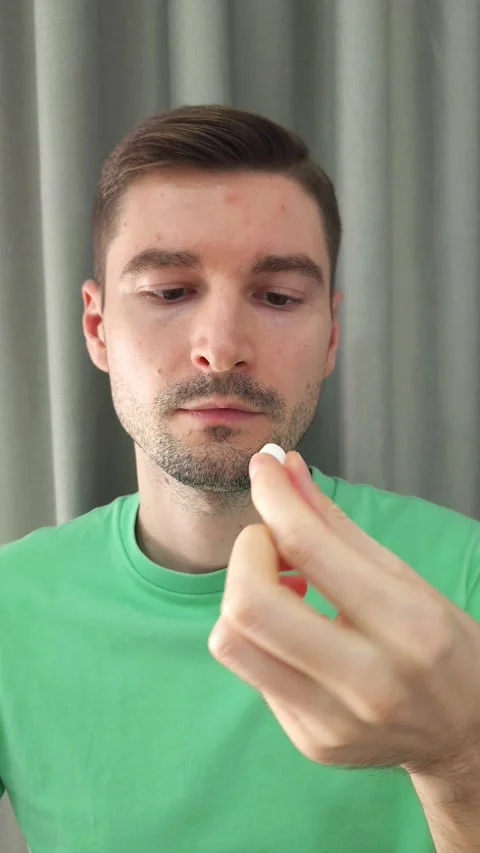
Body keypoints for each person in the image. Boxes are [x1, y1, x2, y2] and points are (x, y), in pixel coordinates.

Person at [0, 104, 479, 853]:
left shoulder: (464, 575)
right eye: (169, 291)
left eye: (279, 297)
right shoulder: (9, 605)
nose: (222, 349)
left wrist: (460, 760)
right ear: (97, 329)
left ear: (330, 335)